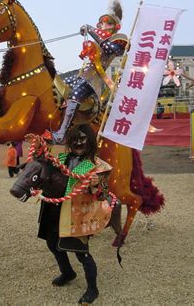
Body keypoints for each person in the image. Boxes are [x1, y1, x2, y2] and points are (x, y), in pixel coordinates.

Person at [32, 124, 110, 304]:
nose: (78, 142)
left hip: (77, 215)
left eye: (83, 138)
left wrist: (96, 184)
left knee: (80, 253)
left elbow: (104, 195)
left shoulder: (97, 166)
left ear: (90, 141)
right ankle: (67, 272)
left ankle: (93, 289)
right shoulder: (60, 158)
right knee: (52, 243)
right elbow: (44, 173)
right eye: (75, 138)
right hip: (52, 210)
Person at [51, 0, 128, 144]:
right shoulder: (100, 38)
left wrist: (91, 30)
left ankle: (62, 133)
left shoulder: (118, 41)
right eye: (102, 23)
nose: (104, 25)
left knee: (75, 95)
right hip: (82, 74)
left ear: (116, 27)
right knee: (57, 85)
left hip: (95, 79)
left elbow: (106, 47)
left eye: (109, 23)